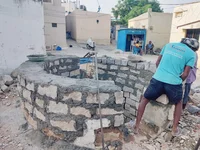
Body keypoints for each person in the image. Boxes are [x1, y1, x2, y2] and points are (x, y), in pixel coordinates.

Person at [133, 38, 199, 136]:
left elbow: (157, 63)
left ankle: (136, 126)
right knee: (178, 102)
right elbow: (185, 74)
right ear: (193, 48)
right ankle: (174, 129)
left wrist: (161, 74)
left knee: (144, 99)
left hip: (157, 80)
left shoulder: (168, 45)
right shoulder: (191, 54)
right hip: (173, 83)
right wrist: (175, 80)